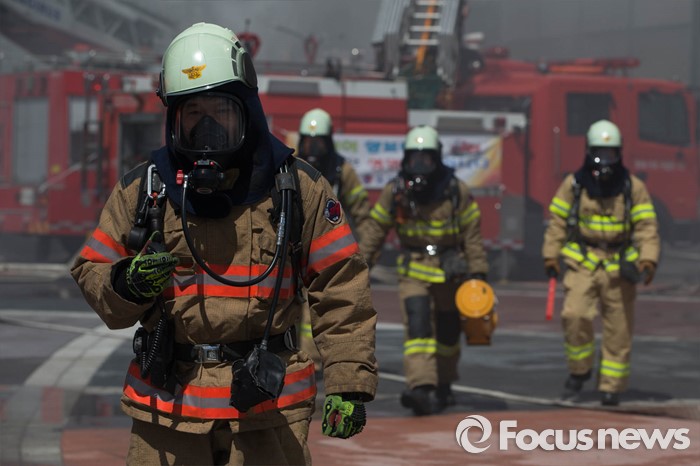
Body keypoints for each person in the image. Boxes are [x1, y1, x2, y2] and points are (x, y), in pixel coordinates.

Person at [70, 22, 377, 465]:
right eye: (193, 112)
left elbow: (342, 286)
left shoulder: (296, 188)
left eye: (221, 110)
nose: (207, 126)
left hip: (267, 415)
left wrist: (349, 383)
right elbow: (92, 269)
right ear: (174, 118)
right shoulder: (145, 189)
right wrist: (125, 284)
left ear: (247, 110)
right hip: (167, 415)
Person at [357, 125, 488, 416]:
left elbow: (472, 234)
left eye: (425, 160)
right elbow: (376, 230)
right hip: (414, 271)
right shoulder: (396, 192)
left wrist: (478, 272)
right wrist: (360, 266)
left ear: (436, 159)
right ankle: (422, 388)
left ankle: (444, 383)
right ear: (405, 160)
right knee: (418, 328)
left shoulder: (455, 191)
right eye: (414, 159)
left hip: (450, 274)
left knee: (448, 334)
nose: (419, 167)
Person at [542, 119, 659, 407]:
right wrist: (551, 254)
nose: (604, 161)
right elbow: (557, 222)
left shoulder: (632, 188)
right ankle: (580, 370)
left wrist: (648, 259)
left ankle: (611, 387)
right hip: (584, 261)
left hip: (619, 267)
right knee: (575, 316)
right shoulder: (574, 185)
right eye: (599, 153)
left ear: (619, 154)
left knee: (618, 329)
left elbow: (646, 227)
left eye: (610, 154)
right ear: (589, 152)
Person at [295, 107, 371, 371]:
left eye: (318, 143)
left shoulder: (342, 171)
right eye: (308, 142)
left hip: (327, 253)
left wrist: (364, 255)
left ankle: (312, 363)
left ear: (329, 142)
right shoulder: (291, 167)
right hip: (294, 251)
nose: (313, 149)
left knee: (321, 308)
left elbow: (362, 213)